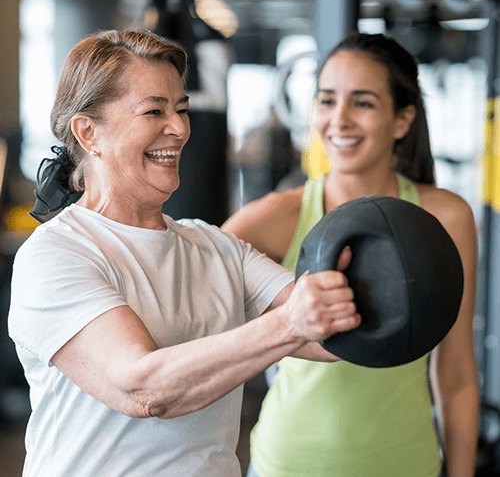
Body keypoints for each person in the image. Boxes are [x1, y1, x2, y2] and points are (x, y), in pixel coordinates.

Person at [7, 29, 362, 477]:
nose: (178, 128)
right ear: (87, 132)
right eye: (154, 110)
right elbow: (144, 388)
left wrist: (376, 288)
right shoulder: (58, 253)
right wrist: (291, 323)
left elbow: (325, 335)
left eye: (182, 109)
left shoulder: (217, 247)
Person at [222, 32, 479, 477]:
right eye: (326, 101)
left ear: (402, 120)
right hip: (288, 464)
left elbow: (455, 375)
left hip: (406, 465)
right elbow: (199, 321)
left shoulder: (446, 217)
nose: (338, 120)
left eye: (362, 103)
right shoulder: (273, 218)